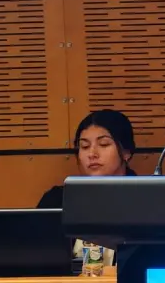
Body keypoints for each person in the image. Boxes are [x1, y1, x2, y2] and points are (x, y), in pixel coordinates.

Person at [37, 109, 137, 269]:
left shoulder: (146, 199)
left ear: (126, 152)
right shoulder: (57, 200)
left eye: (103, 144)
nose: (92, 154)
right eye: (84, 146)